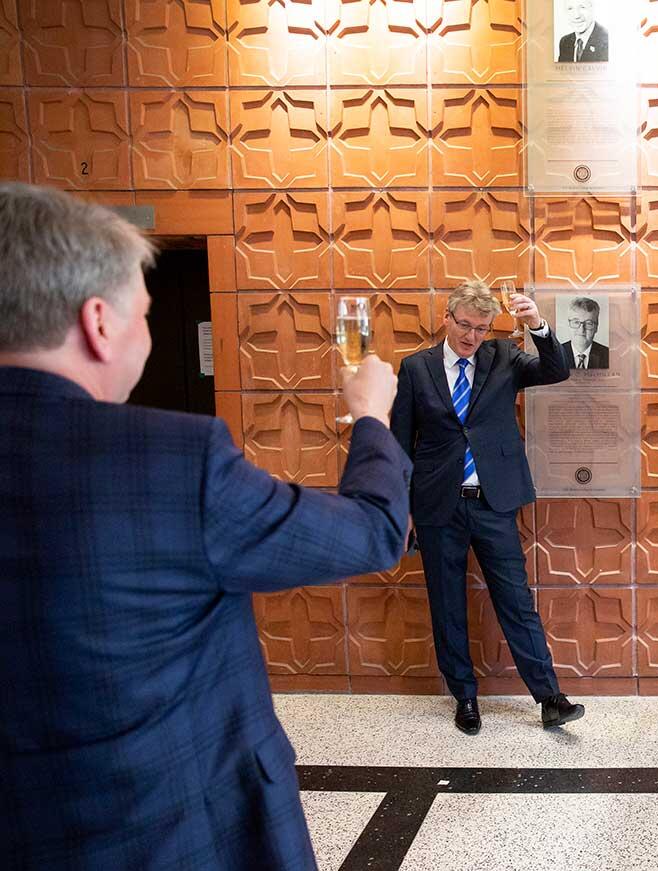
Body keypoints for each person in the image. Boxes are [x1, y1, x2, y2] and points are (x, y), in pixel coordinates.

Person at [0, 182, 412, 870]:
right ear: (99, 322)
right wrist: (371, 416)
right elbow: (373, 530)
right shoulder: (172, 461)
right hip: (172, 833)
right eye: (146, 313)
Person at [391, 280, 584, 735]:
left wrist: (535, 323)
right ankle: (465, 698)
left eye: (482, 328)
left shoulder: (503, 358)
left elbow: (557, 371)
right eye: (465, 326)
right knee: (448, 604)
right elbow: (400, 442)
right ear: (447, 318)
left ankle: (550, 697)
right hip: (438, 505)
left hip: (493, 504)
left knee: (517, 602)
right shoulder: (416, 368)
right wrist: (402, 509)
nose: (472, 337)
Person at [562, 296, 609, 370]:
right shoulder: (556, 353)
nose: (581, 329)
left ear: (596, 327)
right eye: (576, 322)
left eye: (588, 323)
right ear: (568, 325)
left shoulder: (608, 355)